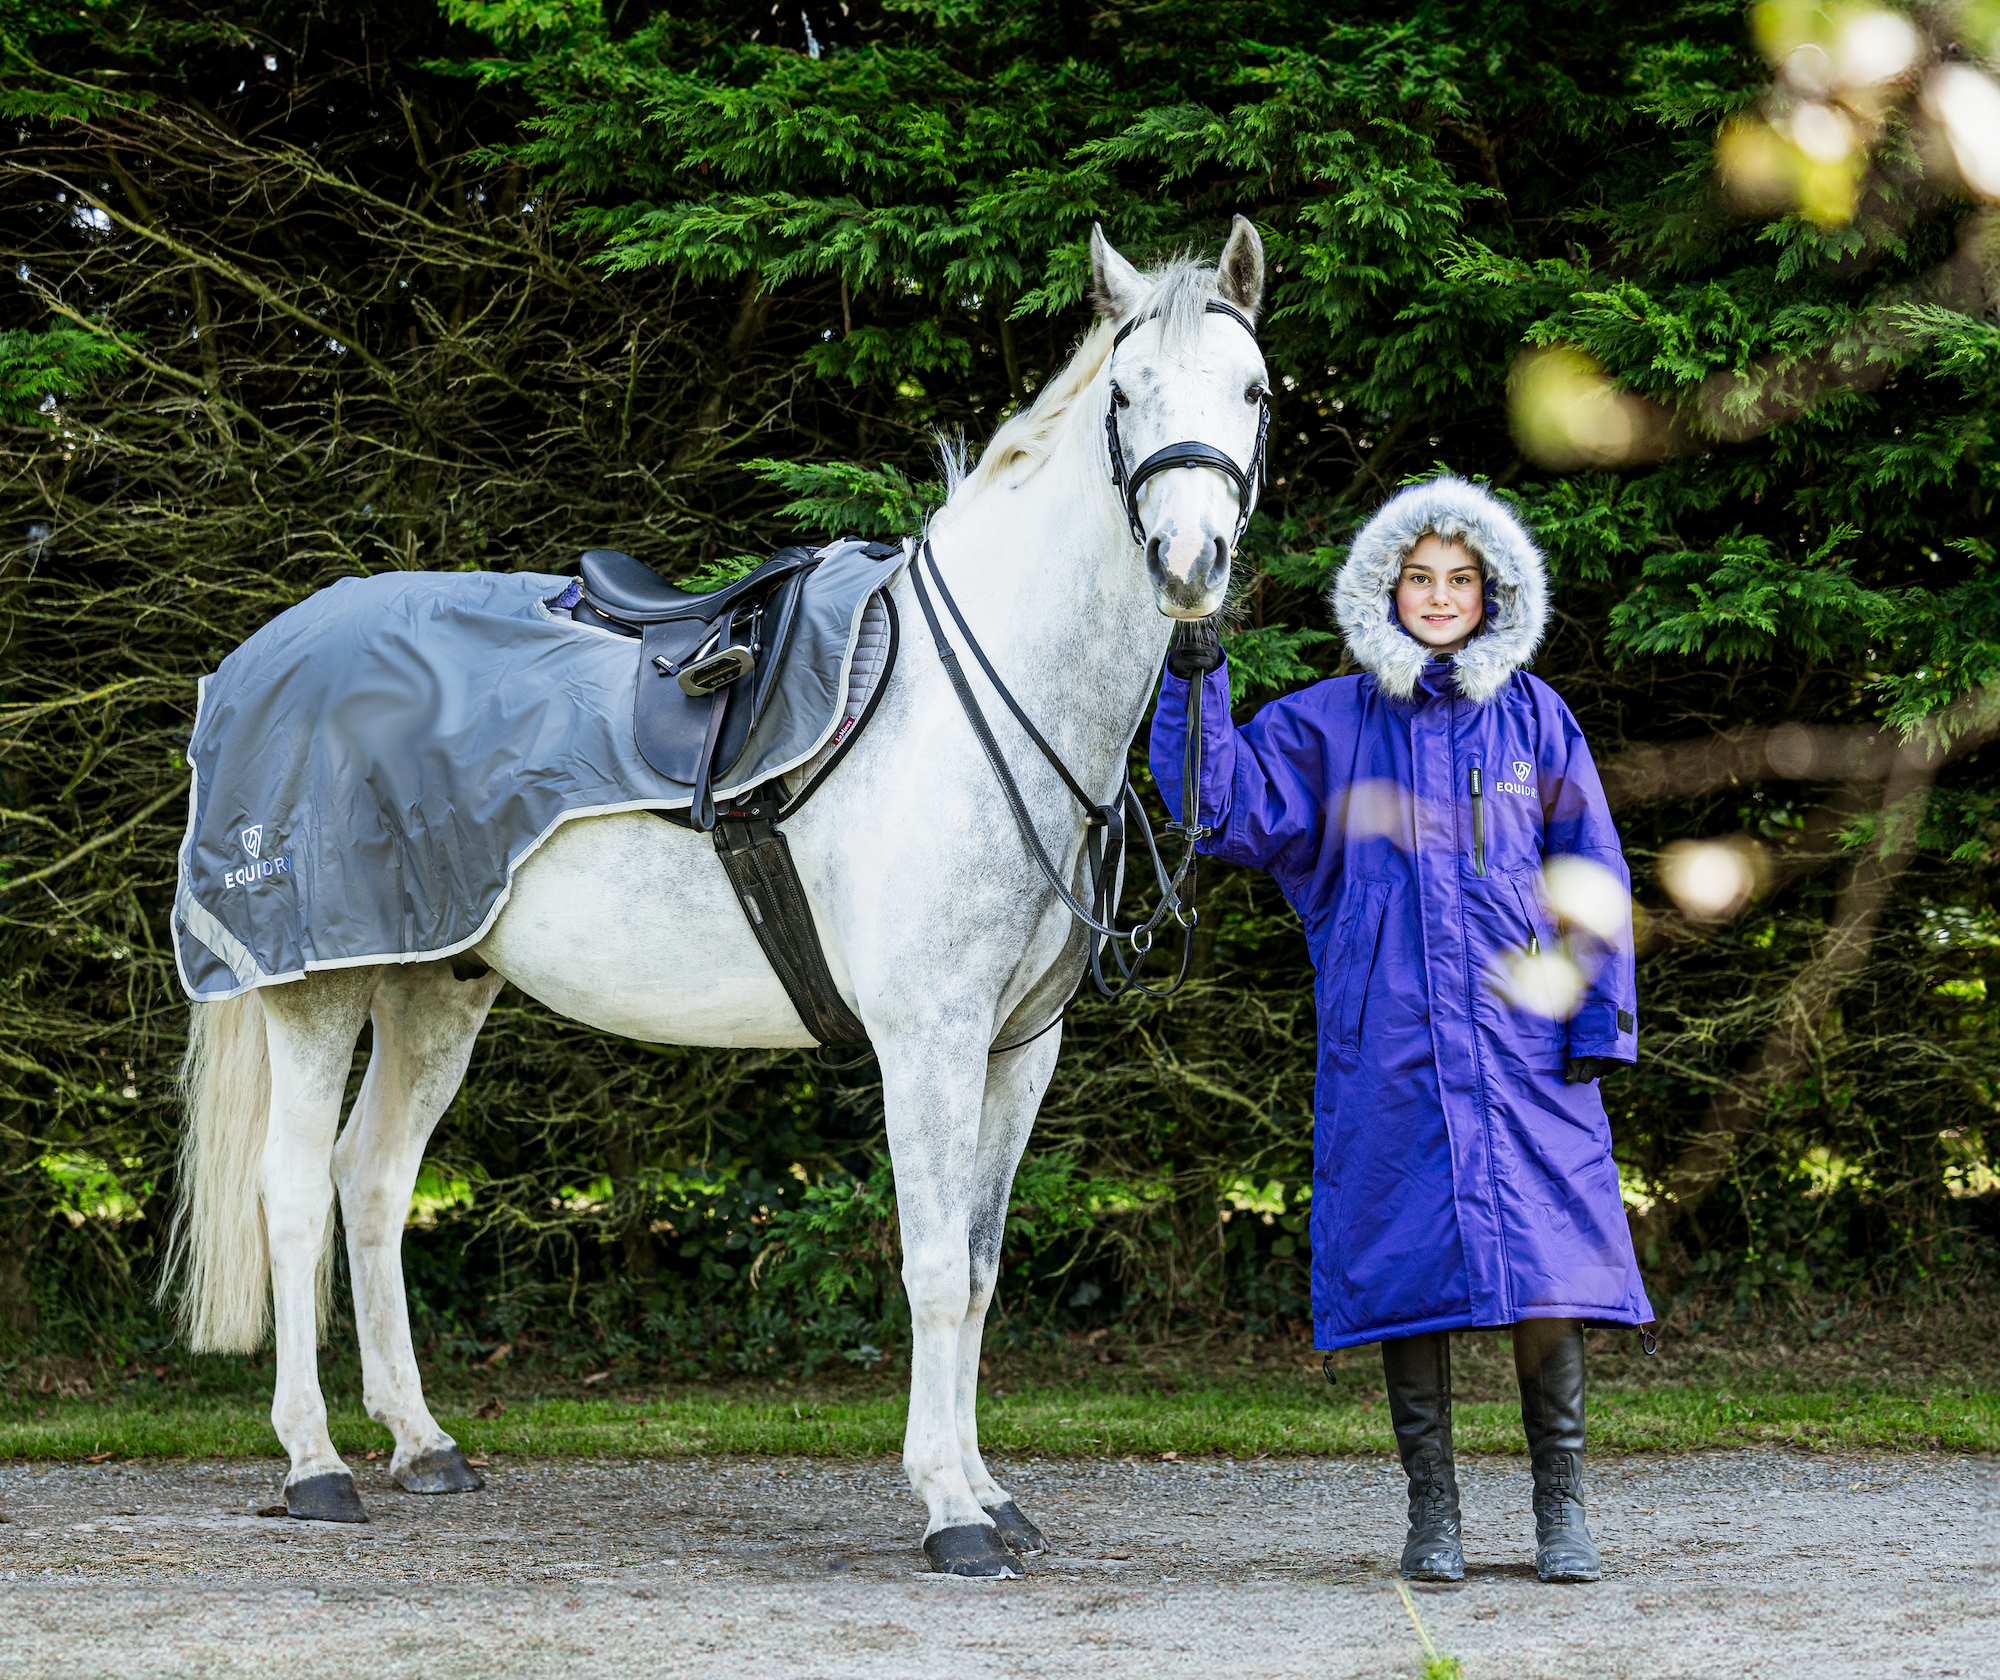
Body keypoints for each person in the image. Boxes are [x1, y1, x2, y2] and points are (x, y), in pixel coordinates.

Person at [1150, 475, 1653, 1584]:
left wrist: (1595, 1015)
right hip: (1391, 1050)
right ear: (1385, 587)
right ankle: (1433, 1515)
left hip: (1524, 1054)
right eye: (1417, 577)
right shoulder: (1330, 723)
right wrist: (1195, 671)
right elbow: (1215, 805)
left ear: (1492, 591)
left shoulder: (1535, 717)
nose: (1437, 595)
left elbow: (1591, 871)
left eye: (1459, 578)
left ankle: (1559, 1509)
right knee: (1406, 1269)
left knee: (1550, 1276)